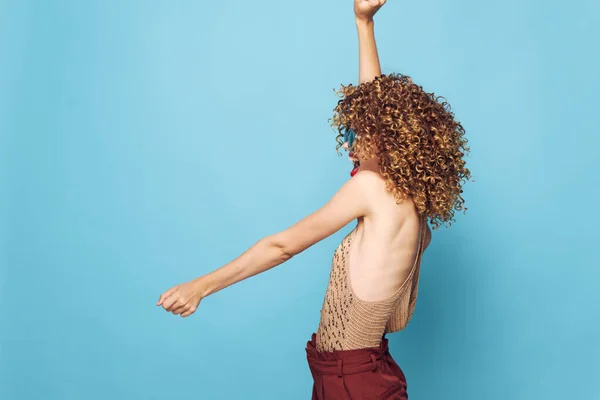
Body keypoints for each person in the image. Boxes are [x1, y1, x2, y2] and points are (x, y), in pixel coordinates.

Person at [156, 0, 470, 398]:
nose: (349, 145)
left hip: (351, 382)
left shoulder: (371, 190)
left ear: (387, 137)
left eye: (358, 134)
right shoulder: (407, 203)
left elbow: (282, 246)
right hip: (356, 374)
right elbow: (374, 103)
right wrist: (364, 23)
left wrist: (201, 286)